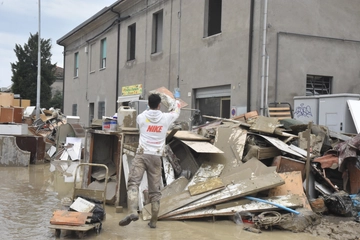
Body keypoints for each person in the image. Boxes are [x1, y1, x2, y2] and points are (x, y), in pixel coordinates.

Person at [119, 93, 180, 228]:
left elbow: (144, 116)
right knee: (155, 191)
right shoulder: (166, 118)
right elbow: (176, 110)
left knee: (134, 183)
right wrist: (170, 99)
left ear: (148, 104)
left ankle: (133, 211)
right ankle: (153, 221)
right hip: (156, 157)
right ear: (159, 105)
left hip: (142, 155)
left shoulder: (141, 117)